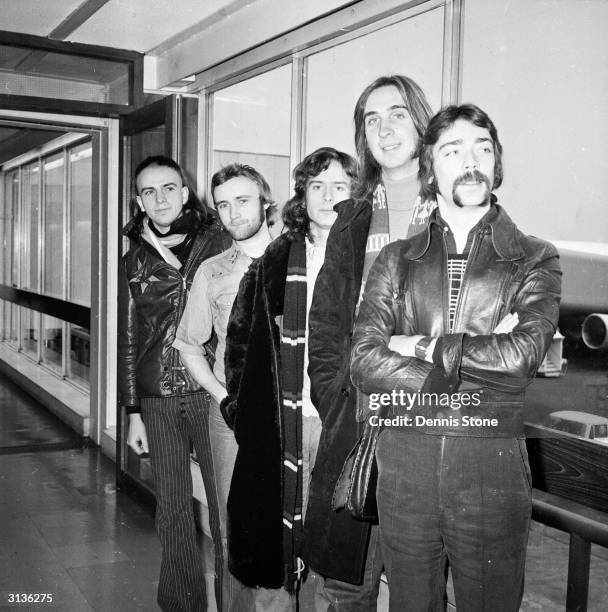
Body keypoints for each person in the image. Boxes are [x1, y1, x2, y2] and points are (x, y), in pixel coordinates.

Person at [350, 103, 562, 611]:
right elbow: (362, 361)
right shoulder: (395, 260)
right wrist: (480, 356)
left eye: (482, 148)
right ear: (430, 168)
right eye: (453, 150)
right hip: (405, 463)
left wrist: (418, 345)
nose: (472, 162)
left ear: (497, 162)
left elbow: (523, 356)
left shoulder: (534, 257)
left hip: (490, 462)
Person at [307, 75, 434, 608]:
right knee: (346, 586)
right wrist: (334, 397)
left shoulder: (458, 213)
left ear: (422, 123)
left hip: (431, 422)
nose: (384, 128)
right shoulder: (352, 219)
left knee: (417, 584)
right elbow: (326, 323)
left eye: (398, 113)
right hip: (355, 419)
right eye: (371, 118)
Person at [219, 147, 358, 609]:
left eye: (340, 186)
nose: (328, 196)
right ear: (302, 196)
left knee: (327, 554)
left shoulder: (372, 260)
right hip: (283, 427)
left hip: (345, 427)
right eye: (317, 186)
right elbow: (239, 344)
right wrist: (243, 415)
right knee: (275, 560)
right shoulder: (276, 261)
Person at [118, 155, 231, 612]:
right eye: (149, 191)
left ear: (185, 192)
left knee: (225, 510)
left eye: (169, 188)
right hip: (159, 396)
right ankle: (182, 604)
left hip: (212, 392)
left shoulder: (220, 240)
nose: (160, 199)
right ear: (139, 201)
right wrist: (132, 412)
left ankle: (233, 603)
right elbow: (131, 336)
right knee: (173, 510)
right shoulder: (135, 257)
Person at [173, 163, 275, 611]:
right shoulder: (213, 271)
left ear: (265, 201)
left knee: (288, 524)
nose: (234, 212)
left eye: (243, 199)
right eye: (224, 204)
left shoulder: (299, 262)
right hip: (231, 419)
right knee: (234, 526)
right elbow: (188, 344)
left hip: (291, 414)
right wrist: (223, 397)